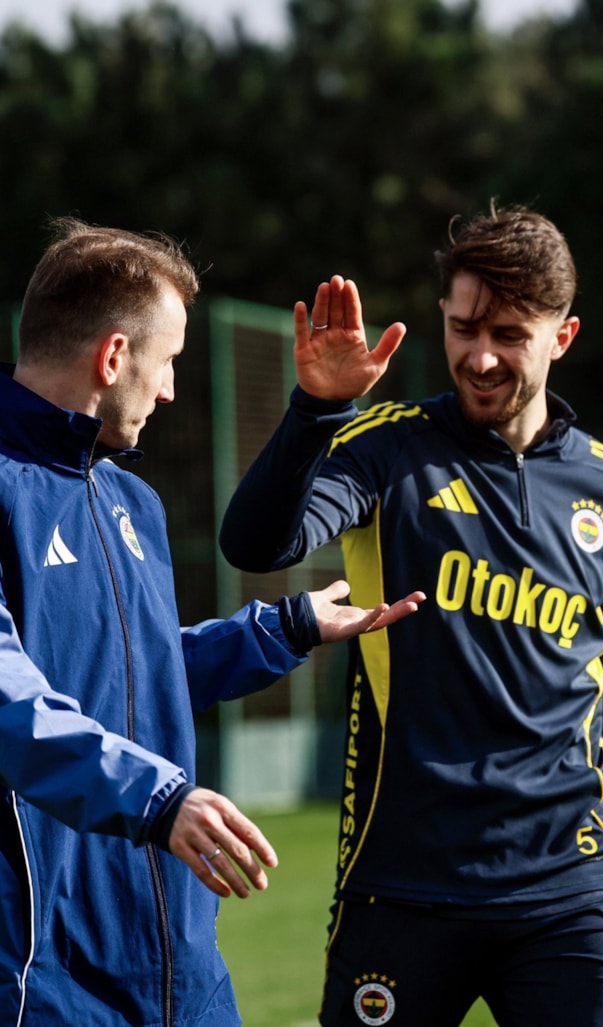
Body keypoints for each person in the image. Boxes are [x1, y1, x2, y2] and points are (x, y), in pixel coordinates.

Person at [219, 202, 603, 1026]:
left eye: (509, 335)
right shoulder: (386, 449)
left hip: (570, 889)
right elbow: (256, 544)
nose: (480, 357)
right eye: (463, 329)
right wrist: (315, 409)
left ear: (562, 336)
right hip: (403, 884)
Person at [0, 217, 424, 1026]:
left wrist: (282, 629)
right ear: (114, 356)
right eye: (167, 362)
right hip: (42, 975)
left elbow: (136, 677)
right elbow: (12, 705)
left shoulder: (132, 500)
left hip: (183, 969)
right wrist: (160, 800)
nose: (168, 390)